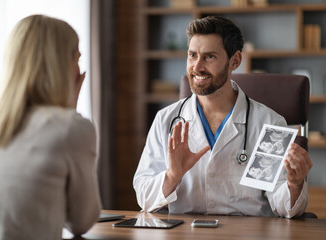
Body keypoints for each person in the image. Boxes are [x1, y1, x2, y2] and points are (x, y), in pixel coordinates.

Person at [133, 16, 312, 218]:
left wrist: (294, 184)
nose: (197, 67)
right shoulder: (166, 120)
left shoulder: (268, 123)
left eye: (209, 57)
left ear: (235, 61)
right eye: (192, 55)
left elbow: (282, 205)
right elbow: (144, 197)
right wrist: (173, 175)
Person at [0, 15, 101, 239]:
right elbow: (81, 221)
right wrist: (70, 112)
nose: (79, 71)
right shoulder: (70, 128)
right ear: (62, 66)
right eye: (77, 59)